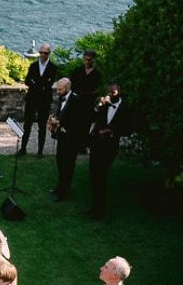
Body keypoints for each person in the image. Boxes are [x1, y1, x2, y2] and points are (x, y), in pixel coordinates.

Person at [87, 84, 127, 216]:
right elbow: (92, 117)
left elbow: (127, 128)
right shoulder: (103, 103)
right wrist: (99, 105)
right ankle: (94, 206)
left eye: (114, 92)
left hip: (110, 146)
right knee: (93, 173)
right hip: (97, 143)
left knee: (101, 175)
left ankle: (100, 209)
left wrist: (111, 131)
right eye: (109, 92)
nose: (111, 94)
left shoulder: (124, 107)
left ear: (119, 92)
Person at [50, 76, 90, 201]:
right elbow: (61, 114)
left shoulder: (76, 100)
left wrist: (60, 124)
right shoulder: (62, 98)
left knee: (68, 165)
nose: (58, 92)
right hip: (62, 137)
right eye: (57, 89)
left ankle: (64, 192)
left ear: (67, 88)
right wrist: (54, 121)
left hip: (72, 139)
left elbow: (79, 122)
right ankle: (59, 186)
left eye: (60, 89)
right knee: (60, 161)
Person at [22, 42, 57, 153]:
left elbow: (49, 84)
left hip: (44, 101)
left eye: (45, 53)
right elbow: (27, 81)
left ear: (49, 54)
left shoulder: (53, 68)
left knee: (42, 126)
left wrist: (36, 83)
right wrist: (40, 85)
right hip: (31, 99)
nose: (42, 55)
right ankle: (23, 149)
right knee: (27, 125)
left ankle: (40, 151)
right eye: (41, 53)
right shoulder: (33, 66)